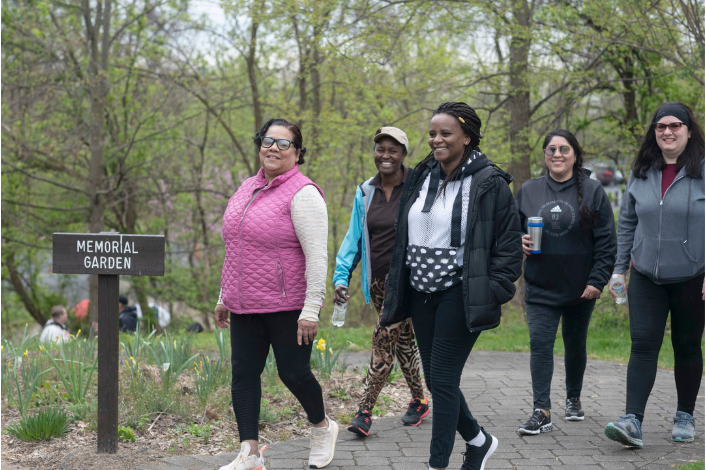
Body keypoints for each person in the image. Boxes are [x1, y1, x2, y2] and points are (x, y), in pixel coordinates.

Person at [381, 102, 523, 470]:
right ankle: (479, 441)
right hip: (421, 291)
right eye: (432, 133)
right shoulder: (422, 174)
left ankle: (437, 464)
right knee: (437, 378)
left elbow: (508, 249)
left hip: (460, 293)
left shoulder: (490, 182)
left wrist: (491, 290)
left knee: (442, 381)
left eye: (445, 133)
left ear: (467, 137)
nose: (436, 139)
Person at [214, 118, 337, 470]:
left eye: (284, 144)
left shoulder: (304, 193)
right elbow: (235, 246)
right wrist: (224, 294)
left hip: (288, 304)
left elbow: (317, 256)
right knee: (243, 374)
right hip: (244, 303)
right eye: (268, 140)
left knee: (293, 373)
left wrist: (311, 308)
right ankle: (250, 454)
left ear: (297, 153)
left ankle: (321, 428)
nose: (274, 148)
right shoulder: (246, 187)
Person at [604, 102, 705, 447]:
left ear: (689, 131)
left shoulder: (702, 169)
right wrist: (619, 268)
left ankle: (685, 416)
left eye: (676, 125)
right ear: (654, 132)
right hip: (645, 274)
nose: (668, 131)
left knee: (687, 345)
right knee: (643, 345)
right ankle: (632, 421)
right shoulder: (642, 170)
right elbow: (629, 221)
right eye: (661, 126)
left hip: (693, 275)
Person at [515, 129, 617, 435]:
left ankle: (573, 398)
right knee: (540, 346)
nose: (557, 155)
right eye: (551, 150)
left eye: (563, 149)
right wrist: (517, 241)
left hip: (580, 287)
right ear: (544, 155)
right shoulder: (529, 190)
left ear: (575, 154)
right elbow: (507, 231)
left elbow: (607, 242)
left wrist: (598, 281)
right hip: (540, 285)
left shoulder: (594, 191)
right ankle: (541, 410)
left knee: (575, 345)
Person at [333, 127, 428, 437]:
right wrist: (341, 277)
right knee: (402, 341)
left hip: (409, 282)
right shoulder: (365, 192)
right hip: (376, 284)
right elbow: (353, 240)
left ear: (403, 153)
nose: (385, 155)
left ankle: (364, 412)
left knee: (382, 339)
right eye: (380, 149)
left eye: (393, 150)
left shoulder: (418, 185)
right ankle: (419, 400)